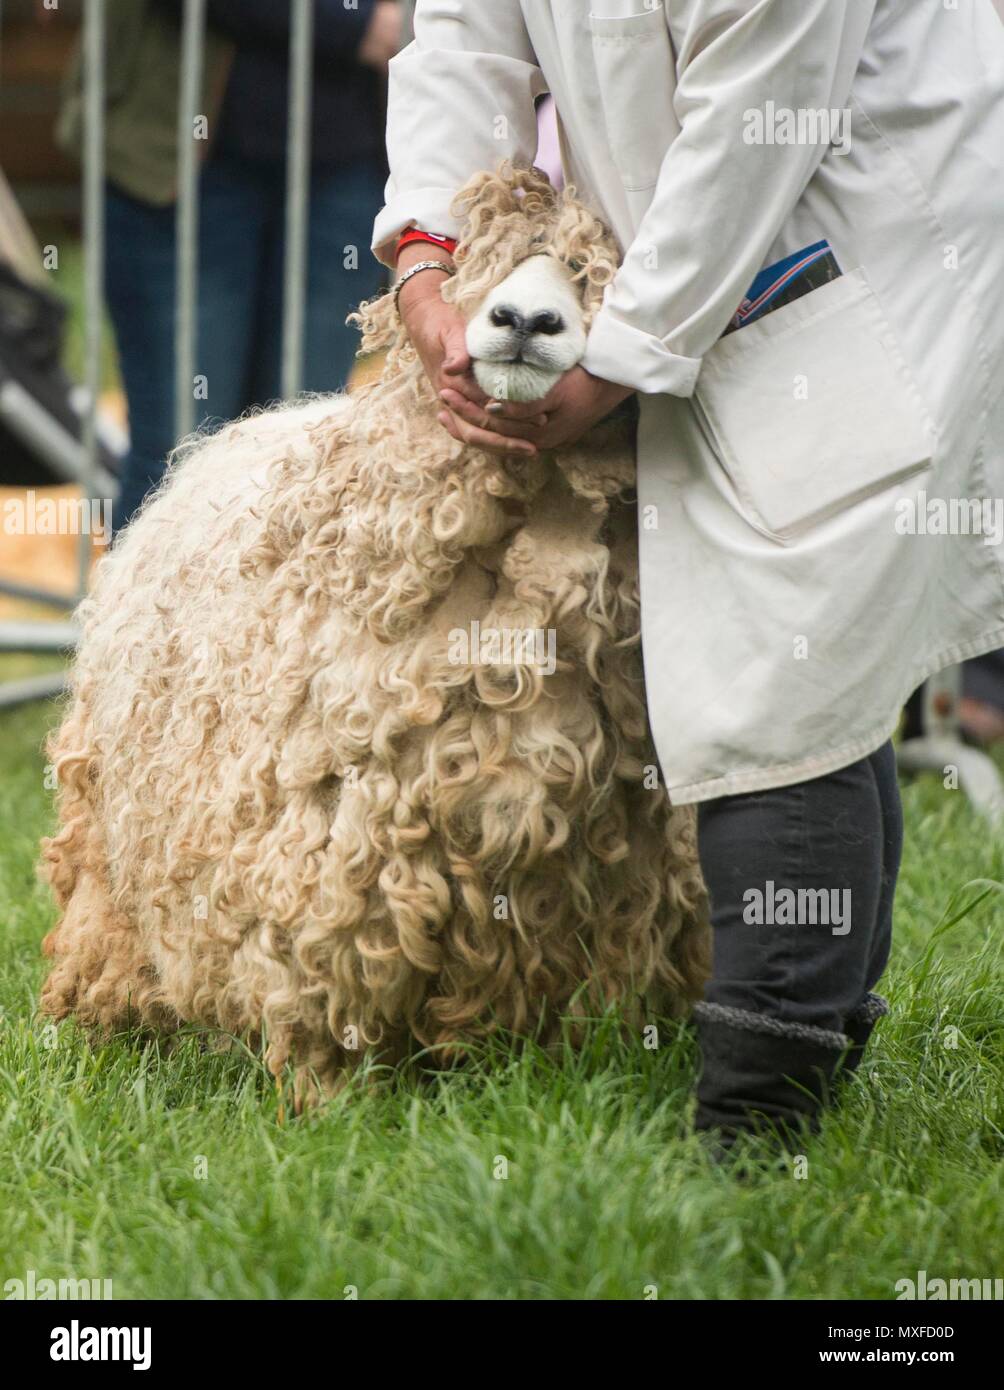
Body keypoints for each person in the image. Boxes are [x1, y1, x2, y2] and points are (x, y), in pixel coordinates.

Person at [371, 0, 1004, 1151]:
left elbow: (757, 121)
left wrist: (614, 360)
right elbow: (462, 37)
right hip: (714, 226)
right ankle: (814, 1037)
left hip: (870, 220)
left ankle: (754, 1123)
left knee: (782, 664)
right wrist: (429, 260)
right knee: (811, 654)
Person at [57, 0, 400, 530]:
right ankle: (146, 613)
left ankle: (281, 615)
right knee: (180, 454)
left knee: (303, 447)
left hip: (347, 166)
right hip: (176, 164)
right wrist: (354, 24)